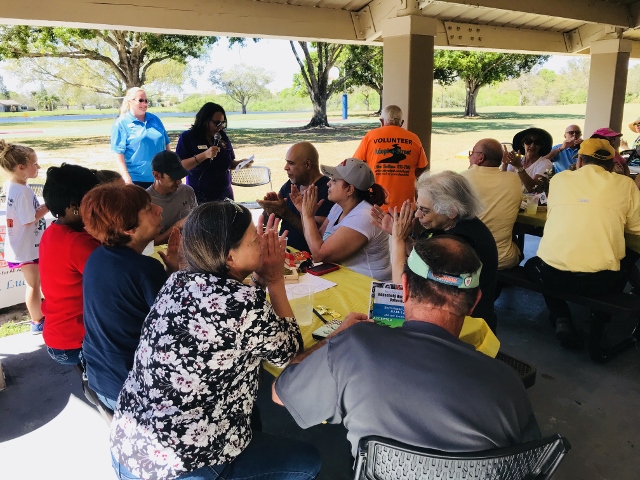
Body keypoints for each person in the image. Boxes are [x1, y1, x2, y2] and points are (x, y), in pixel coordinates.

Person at [273, 235, 540, 458]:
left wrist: (337, 336)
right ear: (474, 302)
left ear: (404, 288)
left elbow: (280, 392)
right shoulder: (507, 383)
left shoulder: (353, 346)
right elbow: (529, 462)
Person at [109, 204, 321, 480]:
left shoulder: (178, 281)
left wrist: (258, 277)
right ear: (230, 258)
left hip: (129, 450)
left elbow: (231, 314)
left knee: (252, 416)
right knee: (309, 460)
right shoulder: (242, 306)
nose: (261, 244)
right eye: (254, 240)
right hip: (185, 467)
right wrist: (276, 280)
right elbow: (289, 352)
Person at [525, 138, 640, 348]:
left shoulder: (559, 180)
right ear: (610, 165)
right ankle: (598, 319)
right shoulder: (625, 185)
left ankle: (561, 317)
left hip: (553, 275)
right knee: (628, 258)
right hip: (599, 281)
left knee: (534, 265)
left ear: (579, 161)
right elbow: (636, 228)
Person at [80, 184, 180, 409]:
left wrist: (170, 273)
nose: (158, 209)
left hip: (100, 378)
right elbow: (176, 325)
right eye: (147, 208)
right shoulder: (144, 269)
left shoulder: (97, 257)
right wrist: (177, 274)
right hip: (131, 389)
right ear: (128, 229)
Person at [372, 171, 498, 331]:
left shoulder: (459, 244)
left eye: (425, 210)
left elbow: (401, 290)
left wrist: (397, 240)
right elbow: (426, 260)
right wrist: (404, 239)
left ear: (452, 211)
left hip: (464, 328)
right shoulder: (460, 226)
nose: (417, 215)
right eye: (417, 207)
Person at [40, 164, 100, 365]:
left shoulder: (53, 232)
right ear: (75, 207)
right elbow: (115, 276)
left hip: (57, 337)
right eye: (94, 203)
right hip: (75, 343)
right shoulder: (79, 244)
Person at [299, 158, 391, 280]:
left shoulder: (363, 217)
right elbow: (317, 239)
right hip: (349, 282)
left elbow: (319, 255)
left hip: (368, 288)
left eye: (335, 180)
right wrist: (304, 212)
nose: (328, 183)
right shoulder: (338, 208)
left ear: (350, 189)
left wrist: (307, 216)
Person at [0, 140, 49, 334]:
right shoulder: (22, 191)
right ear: (22, 167)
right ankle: (37, 321)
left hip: (23, 245)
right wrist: (49, 205)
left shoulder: (12, 185)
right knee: (33, 285)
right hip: (26, 248)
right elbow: (29, 218)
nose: (38, 167)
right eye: (35, 163)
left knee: (35, 283)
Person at [257, 142, 334, 251]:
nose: (285, 168)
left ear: (307, 165)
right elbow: (269, 220)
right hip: (286, 254)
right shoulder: (291, 184)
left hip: (309, 260)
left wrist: (286, 213)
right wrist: (269, 210)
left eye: (291, 163)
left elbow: (318, 233)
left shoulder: (327, 190)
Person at [353, 105, 428, 211]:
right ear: (401, 123)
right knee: (402, 228)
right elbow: (422, 170)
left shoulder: (371, 136)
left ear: (381, 121)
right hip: (405, 205)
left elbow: (356, 164)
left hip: (376, 202)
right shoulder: (414, 138)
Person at [461, 138, 522, 270]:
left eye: (472, 153)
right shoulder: (514, 179)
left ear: (480, 157)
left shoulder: (462, 178)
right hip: (504, 259)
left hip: (469, 259)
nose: (470, 156)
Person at [175, 102, 251, 202]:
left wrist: (241, 163)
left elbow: (229, 163)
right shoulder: (188, 137)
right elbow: (181, 166)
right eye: (217, 123)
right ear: (205, 121)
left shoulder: (221, 136)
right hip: (199, 195)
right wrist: (204, 155)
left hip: (224, 194)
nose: (220, 127)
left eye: (222, 123)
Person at [110, 87, 170, 188]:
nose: (144, 104)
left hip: (161, 178)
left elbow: (166, 145)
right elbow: (118, 153)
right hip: (137, 180)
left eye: (146, 101)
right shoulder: (121, 123)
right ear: (130, 101)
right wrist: (126, 176)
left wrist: (172, 170)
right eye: (140, 100)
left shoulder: (155, 119)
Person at [147, 150, 197, 245]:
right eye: (173, 178)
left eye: (180, 177)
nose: (179, 182)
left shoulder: (187, 191)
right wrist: (176, 227)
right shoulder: (145, 201)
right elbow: (148, 245)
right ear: (156, 175)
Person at [503, 127, 553, 193]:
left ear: (541, 145)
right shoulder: (514, 161)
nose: (532, 145)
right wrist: (505, 164)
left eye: (537, 142)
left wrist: (519, 167)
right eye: (528, 142)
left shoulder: (545, 163)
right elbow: (503, 182)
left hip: (531, 201)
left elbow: (534, 188)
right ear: (523, 144)